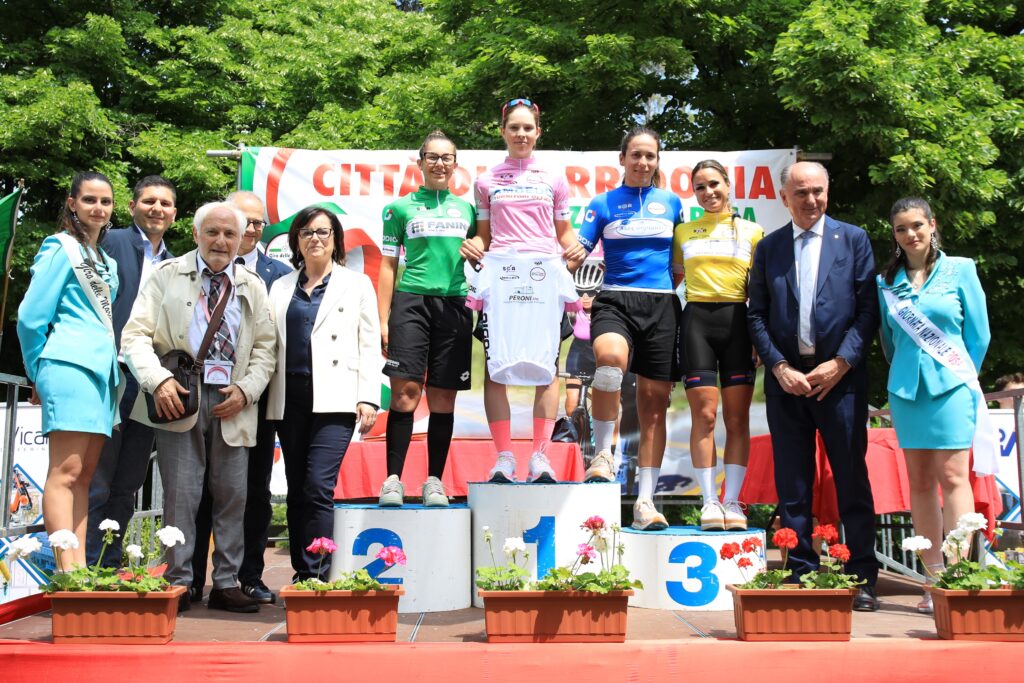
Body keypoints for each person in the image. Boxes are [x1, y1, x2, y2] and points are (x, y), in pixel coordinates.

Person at [122, 201, 276, 613]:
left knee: (233, 496)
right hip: (179, 395)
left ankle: (226, 583)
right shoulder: (166, 275)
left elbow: (266, 348)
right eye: (212, 232)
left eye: (229, 234)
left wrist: (247, 390)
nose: (221, 241)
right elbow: (134, 336)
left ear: (241, 239)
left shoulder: (252, 285)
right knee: (180, 495)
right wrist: (157, 381)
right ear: (195, 234)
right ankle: (178, 582)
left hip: (232, 400)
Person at [747, 161, 881, 610]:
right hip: (787, 382)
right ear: (784, 197)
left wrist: (840, 363)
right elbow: (756, 315)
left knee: (851, 479)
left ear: (828, 191)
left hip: (840, 381)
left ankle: (861, 576)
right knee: (793, 484)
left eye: (818, 191)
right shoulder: (769, 247)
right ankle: (801, 571)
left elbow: (868, 310)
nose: (811, 200)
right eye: (801, 192)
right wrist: (779, 366)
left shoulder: (854, 239)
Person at [460, 98, 585, 483]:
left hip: (544, 278)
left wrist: (576, 249)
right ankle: (504, 458)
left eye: (527, 128)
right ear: (503, 132)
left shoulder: (554, 179)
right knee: (496, 369)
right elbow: (484, 236)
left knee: (547, 368)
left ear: (538, 132)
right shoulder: (486, 181)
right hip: (503, 278)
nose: (521, 134)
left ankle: (540, 457)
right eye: (514, 127)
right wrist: (473, 246)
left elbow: (564, 234)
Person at [877, 197, 992, 614]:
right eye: (901, 229)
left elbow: (979, 335)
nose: (910, 234)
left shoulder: (961, 269)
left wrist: (959, 374)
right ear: (894, 235)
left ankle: (958, 577)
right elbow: (889, 342)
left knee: (954, 477)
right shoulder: (886, 283)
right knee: (920, 482)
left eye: (917, 225)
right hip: (907, 393)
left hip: (954, 386)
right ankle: (933, 577)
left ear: (932, 224)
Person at [575, 127, 684, 531]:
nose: (642, 162)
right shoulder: (602, 203)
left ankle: (645, 503)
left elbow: (678, 265)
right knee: (608, 364)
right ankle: (603, 454)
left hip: (660, 304)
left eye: (650, 156)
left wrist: (663, 294)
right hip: (615, 299)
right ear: (622, 159)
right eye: (635, 154)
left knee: (654, 404)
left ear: (657, 161)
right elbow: (578, 251)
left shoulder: (672, 203)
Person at [266, 207, 380, 581]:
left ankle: (318, 570)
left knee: (318, 486)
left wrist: (368, 396)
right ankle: (303, 572)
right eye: (306, 232)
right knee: (297, 488)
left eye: (323, 232)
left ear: (335, 239)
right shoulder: (280, 286)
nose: (314, 238)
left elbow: (369, 343)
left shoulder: (356, 284)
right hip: (288, 399)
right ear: (296, 241)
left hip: (336, 399)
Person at [191, 191, 291, 604]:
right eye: (241, 221)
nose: (249, 229)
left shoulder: (278, 274)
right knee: (196, 489)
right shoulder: (189, 267)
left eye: (256, 223)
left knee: (252, 491)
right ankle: (191, 577)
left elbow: (272, 343)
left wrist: (249, 388)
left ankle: (246, 576)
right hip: (198, 395)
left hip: (255, 399)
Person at [18, 172, 120, 569]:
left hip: (101, 373)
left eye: (105, 201)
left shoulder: (105, 260)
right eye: (90, 199)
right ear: (72, 203)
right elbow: (30, 317)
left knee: (85, 475)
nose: (98, 208)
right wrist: (37, 371)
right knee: (66, 471)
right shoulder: (60, 248)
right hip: (68, 366)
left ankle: (79, 570)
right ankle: (66, 569)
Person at [377, 130, 476, 507]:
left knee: (443, 396)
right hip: (411, 303)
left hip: (454, 304)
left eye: (446, 157)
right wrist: (383, 319)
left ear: (455, 164)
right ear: (419, 163)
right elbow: (388, 265)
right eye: (432, 157)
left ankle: (434, 480)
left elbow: (484, 248)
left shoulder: (468, 210)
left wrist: (479, 247)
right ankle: (392, 481)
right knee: (405, 394)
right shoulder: (399, 209)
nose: (439, 163)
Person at [86, 175, 176, 567]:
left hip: (149, 381)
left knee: (130, 480)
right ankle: (87, 565)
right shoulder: (110, 243)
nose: (157, 208)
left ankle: (109, 563)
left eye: (165, 203)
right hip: (110, 375)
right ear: (132, 206)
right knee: (98, 477)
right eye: (149, 201)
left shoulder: (176, 263)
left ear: (174, 214)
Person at [673, 160, 764, 531]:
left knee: (738, 418)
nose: (708, 192)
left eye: (714, 184)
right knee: (705, 416)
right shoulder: (683, 232)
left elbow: (760, 291)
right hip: (697, 322)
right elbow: (672, 280)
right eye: (700, 187)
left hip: (738, 323)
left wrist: (760, 337)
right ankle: (709, 501)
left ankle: (733, 501)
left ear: (727, 184)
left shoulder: (753, 231)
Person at [563, 259, 603, 417]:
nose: (585, 297)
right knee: (572, 404)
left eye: (591, 292)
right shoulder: (572, 308)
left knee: (605, 405)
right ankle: (577, 426)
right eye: (580, 292)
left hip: (602, 352)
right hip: (579, 352)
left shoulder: (607, 308)